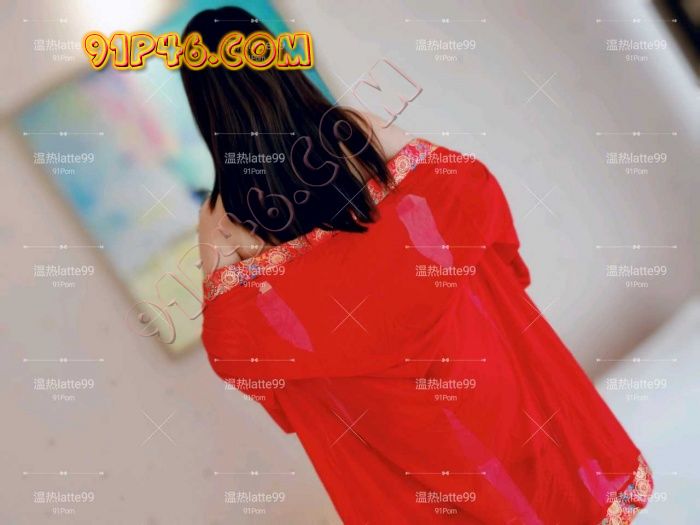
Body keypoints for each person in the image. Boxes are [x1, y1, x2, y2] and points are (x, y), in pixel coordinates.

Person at [182, 7, 653, 524]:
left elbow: (233, 349)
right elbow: (466, 186)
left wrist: (312, 369)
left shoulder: (221, 219)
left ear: (204, 103)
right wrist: (486, 270)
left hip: (382, 415)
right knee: (535, 475)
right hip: (466, 354)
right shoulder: (351, 131)